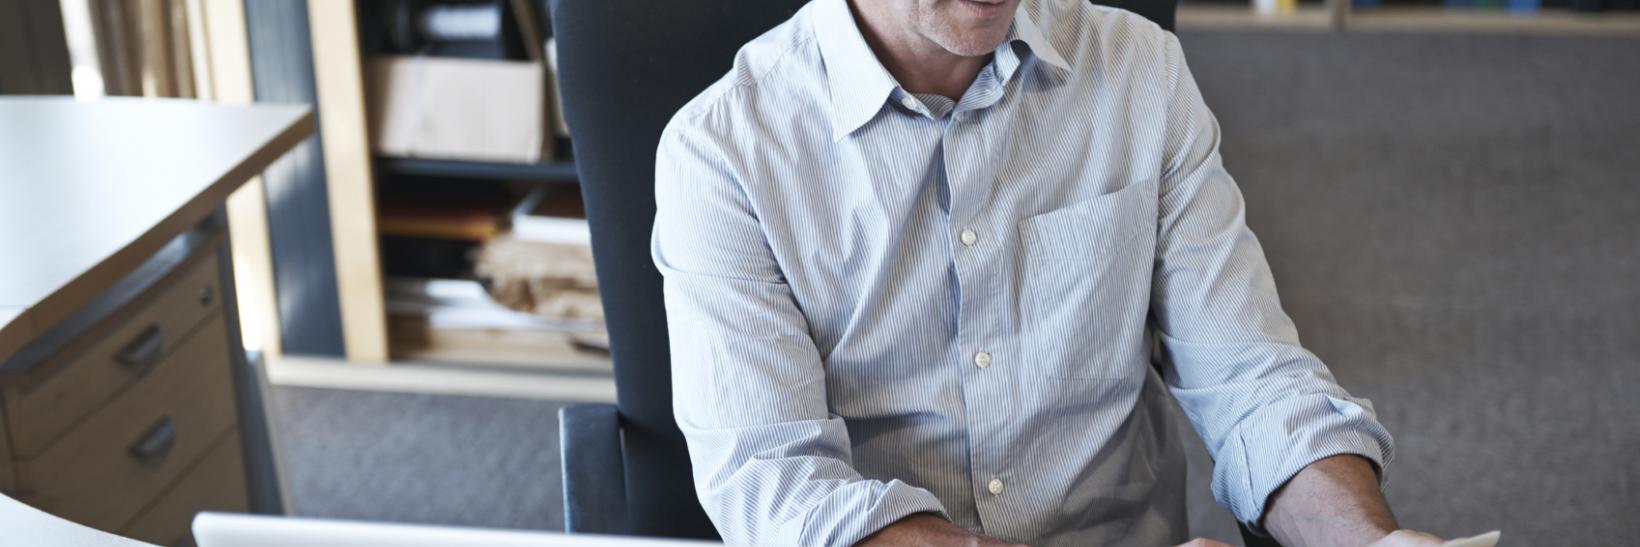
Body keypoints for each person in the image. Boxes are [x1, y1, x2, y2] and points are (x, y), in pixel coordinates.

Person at [652, 0, 1442, 545]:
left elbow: (1253, 380)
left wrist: (1367, 535)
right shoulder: (724, 153)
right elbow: (780, 489)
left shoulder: (1141, 74)